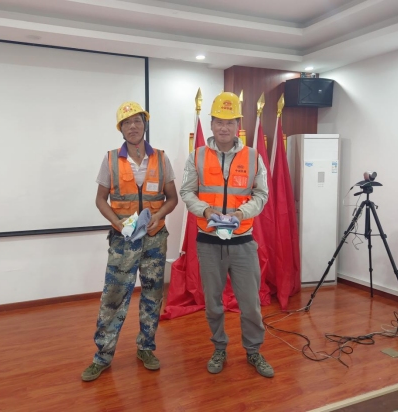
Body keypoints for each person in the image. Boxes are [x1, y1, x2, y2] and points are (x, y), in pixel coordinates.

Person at [81, 101, 178, 382]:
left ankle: (146, 348)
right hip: (123, 241)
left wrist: (158, 216)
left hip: (154, 239)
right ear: (120, 129)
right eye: (127, 123)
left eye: (137, 121)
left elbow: (172, 198)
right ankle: (102, 356)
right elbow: (101, 199)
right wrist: (118, 223)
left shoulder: (161, 158)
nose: (132, 127)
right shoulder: (111, 159)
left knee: (152, 295)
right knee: (113, 296)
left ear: (144, 124)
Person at [179, 92, 274, 378]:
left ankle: (253, 351)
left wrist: (240, 214)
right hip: (208, 242)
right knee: (213, 303)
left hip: (242, 241)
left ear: (238, 126)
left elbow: (262, 195)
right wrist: (206, 211)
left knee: (250, 304)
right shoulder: (196, 156)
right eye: (219, 121)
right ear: (211, 124)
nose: (224, 127)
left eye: (230, 122)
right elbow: (187, 192)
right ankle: (219, 347)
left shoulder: (253, 156)